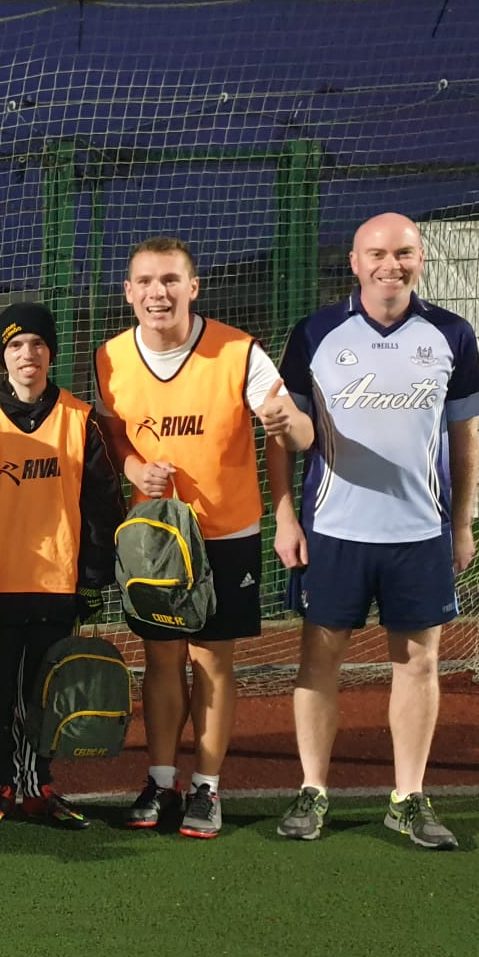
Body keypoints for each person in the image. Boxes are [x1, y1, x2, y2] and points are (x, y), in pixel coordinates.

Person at [271, 213, 479, 851]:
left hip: (420, 533)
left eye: (403, 253)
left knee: (419, 663)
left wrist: (464, 524)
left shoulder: (452, 333)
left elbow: (464, 437)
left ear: (420, 258)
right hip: (333, 530)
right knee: (320, 659)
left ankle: (408, 796)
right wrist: (284, 515)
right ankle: (313, 790)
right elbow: (280, 437)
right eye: (376, 253)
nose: (390, 264)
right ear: (354, 262)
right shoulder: (315, 332)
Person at [95, 237, 297, 839]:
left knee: (211, 662)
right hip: (154, 536)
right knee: (160, 660)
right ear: (129, 293)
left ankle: (207, 787)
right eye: (146, 282)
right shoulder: (109, 358)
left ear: (193, 287)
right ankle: (161, 780)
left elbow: (279, 425)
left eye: (170, 281)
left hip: (225, 531)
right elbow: (111, 435)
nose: (159, 293)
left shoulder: (239, 351)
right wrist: (134, 469)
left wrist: (286, 512)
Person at [0, 301, 124, 828]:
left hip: (58, 588)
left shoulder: (80, 421)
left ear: (51, 352)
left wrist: (93, 578)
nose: (27, 353)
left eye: (36, 343)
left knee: (47, 694)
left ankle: (40, 788)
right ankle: (2, 786)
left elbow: (104, 506)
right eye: (15, 345)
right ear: (2, 356)